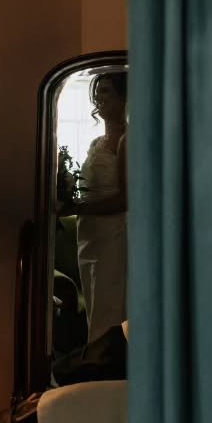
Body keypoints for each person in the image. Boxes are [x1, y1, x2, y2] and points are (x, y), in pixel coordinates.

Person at [66, 72, 128, 342]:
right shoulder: (96, 143)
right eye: (97, 92)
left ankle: (107, 370)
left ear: (124, 98)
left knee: (109, 304)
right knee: (94, 302)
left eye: (106, 92)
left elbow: (126, 199)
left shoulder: (128, 140)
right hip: (90, 234)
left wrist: (77, 207)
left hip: (114, 234)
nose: (98, 99)